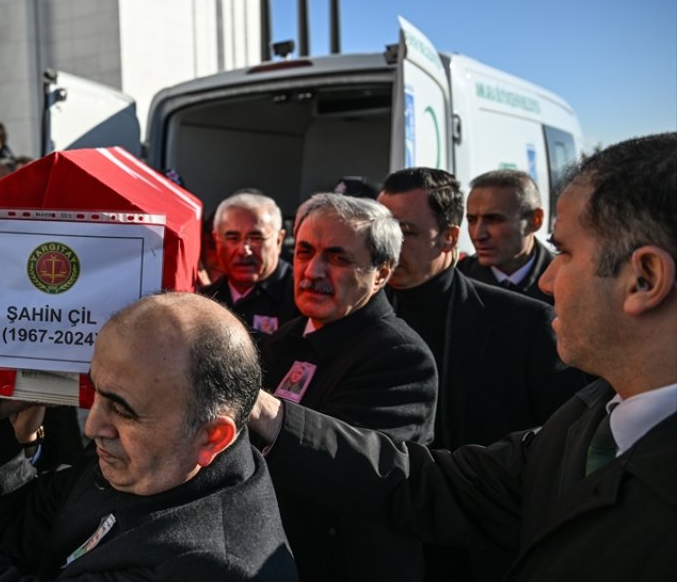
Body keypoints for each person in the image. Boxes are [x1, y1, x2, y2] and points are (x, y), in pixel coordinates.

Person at [243, 133, 677, 581]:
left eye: (564, 252)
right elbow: (435, 485)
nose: (547, 280)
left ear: (644, 279)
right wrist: (265, 412)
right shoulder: (586, 420)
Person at [0, 292, 298, 580]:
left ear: (212, 437)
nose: (93, 426)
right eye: (96, 393)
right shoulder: (159, 461)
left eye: (123, 409)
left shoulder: (206, 566)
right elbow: (22, 525)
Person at [261, 192, 437, 581]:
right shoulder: (282, 340)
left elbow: (348, 468)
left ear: (382, 273)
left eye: (338, 258)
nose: (312, 272)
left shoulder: (401, 357)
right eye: (304, 252)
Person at [377, 168, 581, 449]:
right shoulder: (357, 306)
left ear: (448, 237)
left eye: (405, 232)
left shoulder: (531, 320)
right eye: (382, 232)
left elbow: (561, 436)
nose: (387, 246)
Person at [200, 192, 299, 342]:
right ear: (217, 240)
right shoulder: (206, 300)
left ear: (279, 240)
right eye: (233, 238)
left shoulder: (302, 297)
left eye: (256, 238)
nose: (244, 250)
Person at [458, 170, 555, 305]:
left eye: (493, 220)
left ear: (535, 220)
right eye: (472, 220)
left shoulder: (568, 283)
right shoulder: (457, 282)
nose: (477, 235)